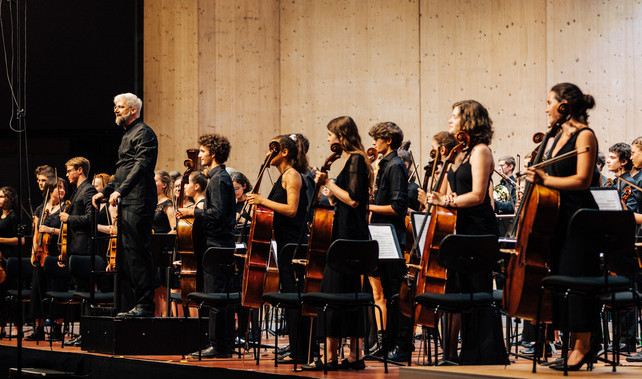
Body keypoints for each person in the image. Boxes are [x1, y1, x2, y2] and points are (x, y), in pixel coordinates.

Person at [425, 100, 508, 365]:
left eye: (455, 116)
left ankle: (484, 354)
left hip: (479, 230)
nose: (450, 120)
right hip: (460, 230)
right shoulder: (459, 153)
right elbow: (453, 192)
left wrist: (445, 201)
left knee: (478, 291)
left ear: (469, 121)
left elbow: (477, 195)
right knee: (460, 291)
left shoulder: (481, 151)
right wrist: (439, 195)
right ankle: (461, 354)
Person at [525, 83, 600, 371]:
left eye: (549, 102)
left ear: (564, 105)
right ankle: (570, 343)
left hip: (578, 217)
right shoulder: (554, 136)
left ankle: (584, 345)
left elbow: (582, 180)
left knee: (578, 281)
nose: (546, 108)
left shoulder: (585, 135)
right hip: (554, 217)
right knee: (562, 280)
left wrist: (544, 180)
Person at [304, 116, 374, 371]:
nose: (327, 138)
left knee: (335, 294)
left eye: (330, 134)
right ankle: (355, 356)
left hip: (348, 238)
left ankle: (333, 358)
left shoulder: (355, 158)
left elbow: (355, 199)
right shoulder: (351, 159)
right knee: (348, 296)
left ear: (341, 135)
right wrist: (329, 194)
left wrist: (328, 183)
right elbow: (343, 202)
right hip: (349, 234)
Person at [92, 92, 158, 317]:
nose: (115, 110)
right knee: (126, 256)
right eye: (115, 106)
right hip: (129, 200)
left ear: (133, 110)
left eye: (119, 106)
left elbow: (141, 166)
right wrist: (106, 191)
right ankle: (128, 304)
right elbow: (122, 170)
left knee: (137, 253)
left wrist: (120, 190)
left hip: (139, 200)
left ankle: (145, 305)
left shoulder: (144, 133)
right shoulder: (128, 134)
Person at [247, 134, 311, 364]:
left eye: (271, 148)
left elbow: (292, 209)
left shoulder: (292, 175)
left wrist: (262, 201)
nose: (267, 153)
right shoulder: (282, 176)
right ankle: (297, 349)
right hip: (284, 244)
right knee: (289, 297)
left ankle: (300, 352)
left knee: (293, 299)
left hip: (292, 247)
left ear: (284, 151)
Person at [177, 133, 236, 358]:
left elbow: (218, 214)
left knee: (216, 296)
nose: (199, 155)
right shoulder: (218, 177)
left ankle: (218, 345)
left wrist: (193, 211)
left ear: (212, 153)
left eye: (202, 151)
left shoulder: (219, 179)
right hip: (220, 243)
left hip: (217, 243)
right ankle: (225, 345)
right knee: (221, 296)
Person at [367, 122, 411, 362]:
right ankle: (389, 344)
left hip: (391, 236)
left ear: (389, 141)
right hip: (381, 234)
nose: (374, 143)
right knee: (388, 291)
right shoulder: (385, 164)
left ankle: (401, 346)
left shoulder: (395, 166)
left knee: (396, 293)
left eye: (377, 139)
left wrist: (368, 206)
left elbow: (398, 206)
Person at [26, 177, 67, 341]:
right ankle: (39, 329)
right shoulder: (39, 209)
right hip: (40, 254)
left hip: (57, 255)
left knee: (58, 290)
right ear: (51, 190)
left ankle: (57, 329)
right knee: (37, 292)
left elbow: (67, 233)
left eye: (63, 188)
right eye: (59, 188)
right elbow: (36, 233)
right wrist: (33, 251)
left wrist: (50, 229)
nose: (63, 191)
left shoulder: (66, 208)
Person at [60, 157, 98, 263]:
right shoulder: (77, 190)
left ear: (80, 170)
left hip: (83, 248)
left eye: (69, 171)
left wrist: (69, 218)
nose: (67, 175)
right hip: (74, 247)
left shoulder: (88, 190)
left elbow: (91, 218)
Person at [0, 186, 22, 338]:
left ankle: (16, 327)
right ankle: (1, 327)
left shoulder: (15, 217)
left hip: (10, 259)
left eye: (1, 196)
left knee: (12, 294)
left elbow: (21, 240)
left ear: (10, 199)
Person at [604, 143, 638, 211]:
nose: (607, 161)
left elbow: (630, 210)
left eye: (612, 158)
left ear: (624, 162)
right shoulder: (616, 181)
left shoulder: (629, 183)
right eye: (608, 157)